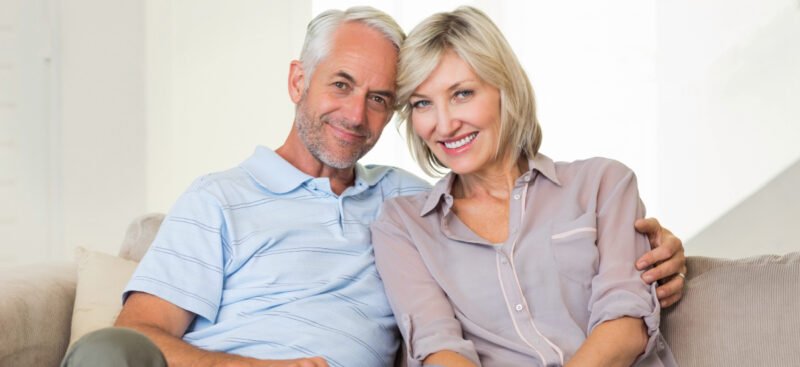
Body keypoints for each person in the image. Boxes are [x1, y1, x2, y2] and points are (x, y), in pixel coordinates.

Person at [61, 6, 685, 367]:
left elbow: (510, 215)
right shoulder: (219, 198)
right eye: (339, 85)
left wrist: (653, 252)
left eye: (381, 98)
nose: (356, 115)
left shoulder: (407, 206)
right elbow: (134, 336)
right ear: (297, 80)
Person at [371, 6, 678, 367]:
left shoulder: (604, 184)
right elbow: (439, 348)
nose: (445, 124)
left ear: (504, 89)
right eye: (423, 103)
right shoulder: (404, 225)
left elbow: (625, 326)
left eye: (462, 94)